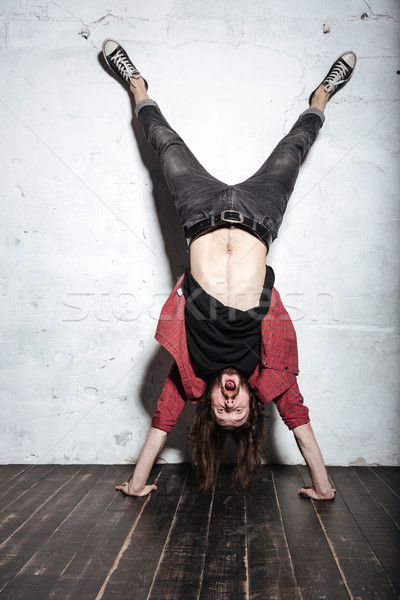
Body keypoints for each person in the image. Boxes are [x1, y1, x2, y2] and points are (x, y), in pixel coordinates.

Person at [102, 39, 356, 499]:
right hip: (259, 217)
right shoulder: (268, 377)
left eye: (222, 411)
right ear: (252, 407)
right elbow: (298, 419)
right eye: (238, 412)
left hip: (199, 213)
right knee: (294, 147)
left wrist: (138, 484)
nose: (230, 403)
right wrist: (324, 487)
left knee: (164, 142)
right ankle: (322, 95)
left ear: (210, 403)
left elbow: (162, 419)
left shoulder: (192, 374)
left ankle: (136, 84)